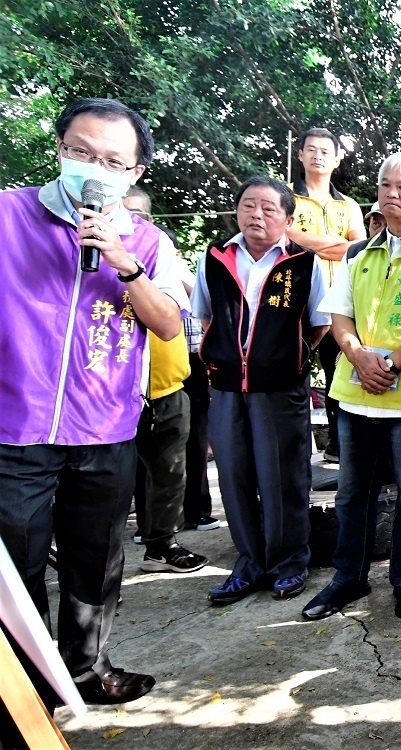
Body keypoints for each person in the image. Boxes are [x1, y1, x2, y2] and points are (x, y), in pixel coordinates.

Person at [0, 97, 186, 705]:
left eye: (111, 159)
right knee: (17, 567)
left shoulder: (148, 241)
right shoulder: (8, 215)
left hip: (105, 426)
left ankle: (85, 669)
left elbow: (168, 326)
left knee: (95, 560)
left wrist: (123, 261)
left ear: (133, 174)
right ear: (59, 149)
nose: (92, 168)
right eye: (80, 152)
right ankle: (23, 693)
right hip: (16, 427)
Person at [301, 152, 401, 622]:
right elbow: (340, 313)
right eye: (385, 185)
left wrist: (389, 363)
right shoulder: (358, 252)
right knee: (353, 494)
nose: (391, 194)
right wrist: (356, 355)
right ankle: (347, 578)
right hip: (355, 395)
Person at [193, 176, 329, 606]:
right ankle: (249, 562)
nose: (257, 214)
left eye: (270, 209)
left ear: (288, 219)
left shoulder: (304, 263)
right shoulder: (215, 258)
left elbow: (320, 323)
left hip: (280, 387)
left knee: (283, 477)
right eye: (249, 205)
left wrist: (286, 356)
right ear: (237, 211)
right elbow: (204, 316)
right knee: (234, 477)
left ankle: (290, 563)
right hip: (227, 386)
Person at [122, 187, 209, 574]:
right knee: (111, 482)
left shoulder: (161, 257)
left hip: (169, 388)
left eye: (138, 214)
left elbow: (188, 309)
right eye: (123, 213)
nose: (130, 221)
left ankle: (162, 545)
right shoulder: (91, 262)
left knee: (170, 473)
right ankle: (98, 571)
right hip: (114, 393)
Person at [289, 127, 367, 464]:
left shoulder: (347, 205)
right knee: (295, 369)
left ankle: (339, 447)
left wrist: (308, 242)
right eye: (311, 149)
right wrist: (335, 245)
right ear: (301, 155)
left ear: (337, 159)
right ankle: (292, 449)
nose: (318, 155)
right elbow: (287, 238)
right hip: (297, 297)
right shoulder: (285, 197)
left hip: (340, 300)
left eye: (325, 151)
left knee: (340, 369)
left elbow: (360, 248)